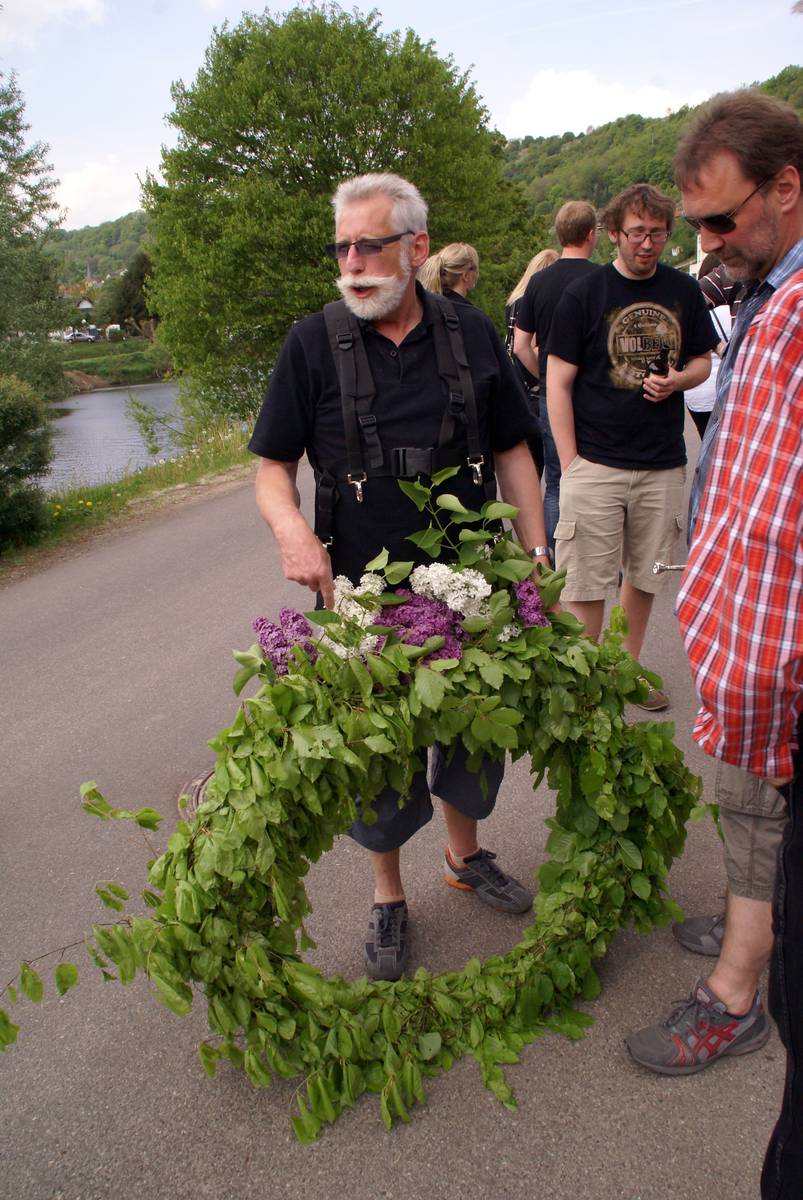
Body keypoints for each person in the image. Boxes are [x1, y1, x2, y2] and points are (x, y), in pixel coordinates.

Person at [248, 173, 550, 983]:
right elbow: (272, 467)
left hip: (471, 587)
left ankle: (464, 856)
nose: (351, 262)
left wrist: (536, 549)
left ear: (415, 248)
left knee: (468, 731)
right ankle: (388, 896)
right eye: (341, 247)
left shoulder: (471, 330)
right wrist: (291, 530)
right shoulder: (312, 342)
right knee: (375, 758)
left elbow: (516, 447)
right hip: (358, 594)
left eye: (367, 245)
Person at [623, 94, 803, 1200]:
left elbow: (780, 532)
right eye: (691, 227)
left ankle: (736, 991)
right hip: (749, 651)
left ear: (785, 187)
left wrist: (739, 684)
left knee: (748, 790)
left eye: (719, 222)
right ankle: (756, 922)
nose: (702, 247)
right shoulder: (765, 294)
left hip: (770, 673)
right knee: (749, 811)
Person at [546, 183, 717, 710]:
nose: (647, 243)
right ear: (614, 233)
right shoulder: (585, 294)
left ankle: (625, 671)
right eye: (637, 232)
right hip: (595, 462)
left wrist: (677, 382)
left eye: (658, 233)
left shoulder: (684, 292)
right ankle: (583, 680)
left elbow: (704, 362)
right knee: (584, 583)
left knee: (646, 577)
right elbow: (558, 382)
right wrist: (571, 463)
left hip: (662, 464)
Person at [513, 201, 598, 555]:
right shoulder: (602, 278)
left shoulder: (538, 282)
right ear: (592, 235)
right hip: (595, 394)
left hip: (551, 394)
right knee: (600, 477)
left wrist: (546, 376)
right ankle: (597, 550)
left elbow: (521, 346)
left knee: (556, 480)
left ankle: (552, 554)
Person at [504, 248, 559, 477]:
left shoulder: (513, 302)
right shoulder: (536, 302)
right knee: (554, 474)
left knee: (527, 473)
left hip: (515, 389)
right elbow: (528, 347)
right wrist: (546, 377)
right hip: (535, 391)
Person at [684, 254, 733, 439]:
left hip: (696, 393)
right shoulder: (731, 310)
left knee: (708, 440)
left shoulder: (696, 312)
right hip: (722, 388)